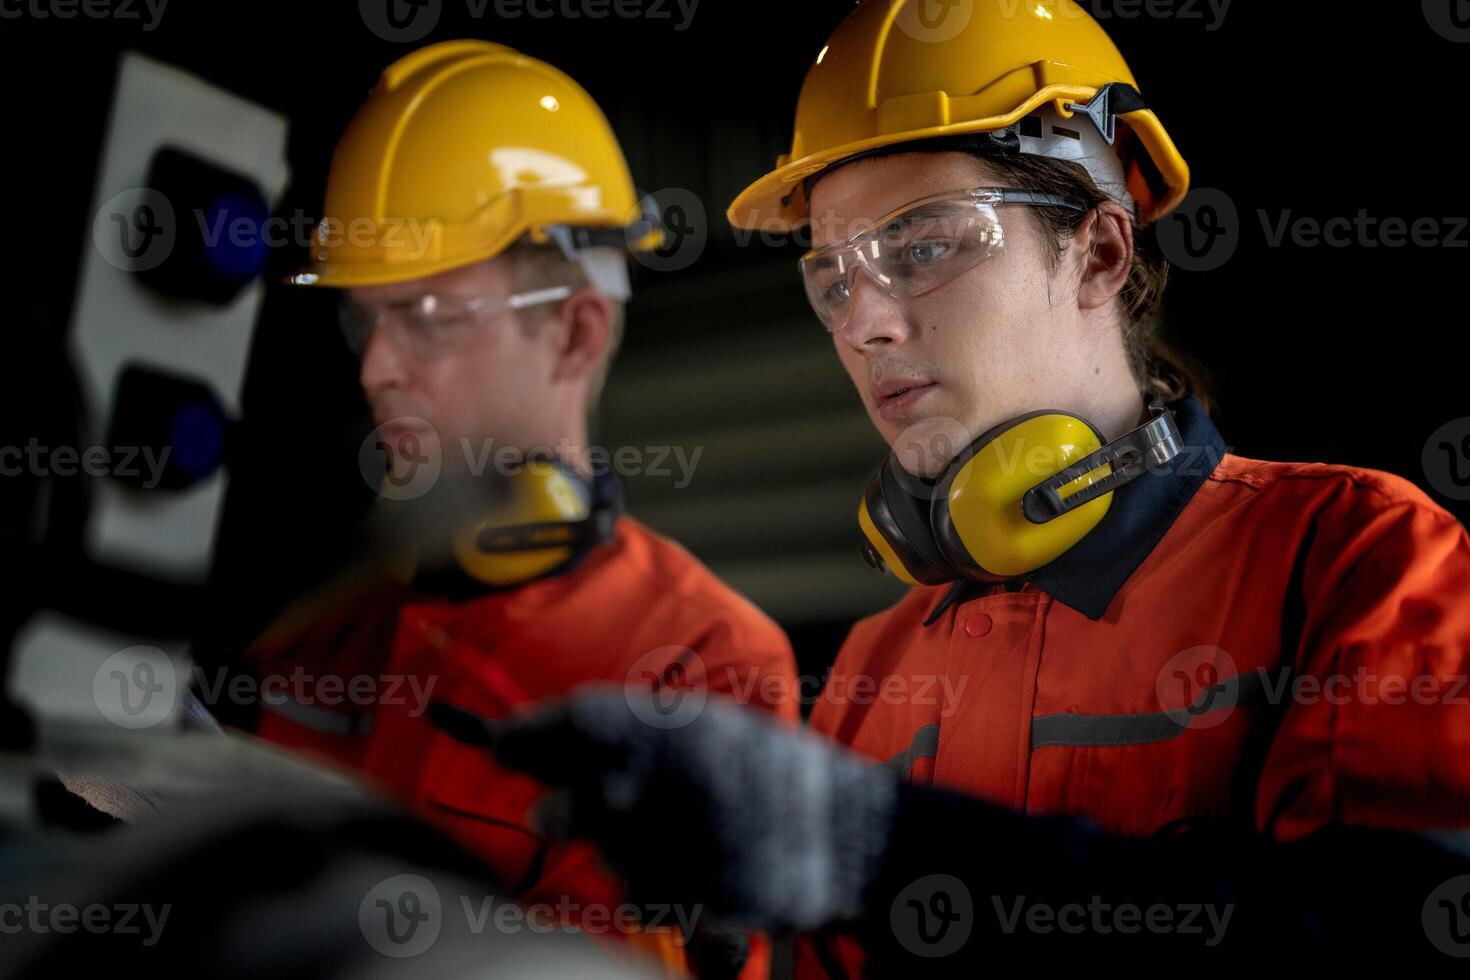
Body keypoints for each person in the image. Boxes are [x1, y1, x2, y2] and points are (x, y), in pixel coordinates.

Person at [241, 39, 797, 978]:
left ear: (576, 329)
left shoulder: (703, 662)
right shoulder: (320, 622)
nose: (379, 367)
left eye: (428, 317)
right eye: (367, 319)